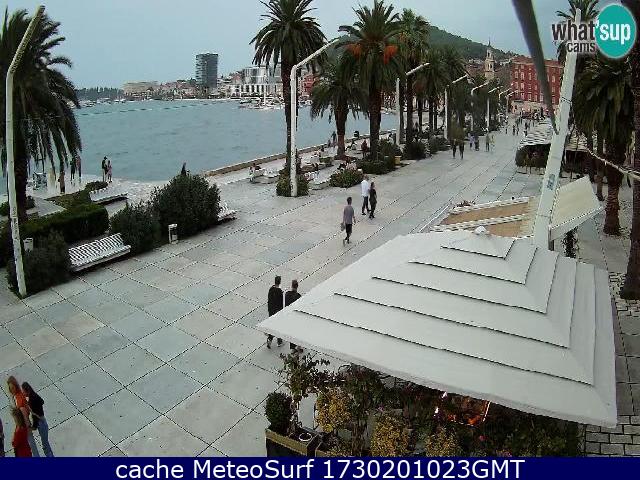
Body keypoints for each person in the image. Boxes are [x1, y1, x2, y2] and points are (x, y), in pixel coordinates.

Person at [7, 377, 38, 456]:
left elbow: (26, 411)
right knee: (29, 446)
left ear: (16, 386)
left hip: (25, 426)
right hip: (21, 425)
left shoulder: (20, 397)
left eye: (13, 387)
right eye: (10, 388)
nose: (12, 390)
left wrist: (27, 427)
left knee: (32, 446)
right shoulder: (14, 396)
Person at [22, 382, 53, 457]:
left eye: (23, 391)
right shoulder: (34, 395)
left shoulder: (32, 401)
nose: (23, 393)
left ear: (27, 391)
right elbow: (42, 401)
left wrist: (33, 427)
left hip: (41, 423)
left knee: (45, 444)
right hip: (42, 420)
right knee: (46, 442)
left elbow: (35, 418)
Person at [266, 276, 284, 349]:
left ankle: (270, 339)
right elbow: (280, 303)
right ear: (280, 282)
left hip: (271, 310)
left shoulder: (271, 289)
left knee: (272, 325)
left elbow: (269, 300)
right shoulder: (279, 291)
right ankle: (279, 341)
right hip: (277, 311)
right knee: (278, 326)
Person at [285, 280, 302, 353]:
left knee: (292, 333)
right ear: (297, 287)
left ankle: (292, 348)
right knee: (298, 332)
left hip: (289, 316)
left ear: (291, 286)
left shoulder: (287, 294)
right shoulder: (299, 296)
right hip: (296, 317)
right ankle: (299, 346)